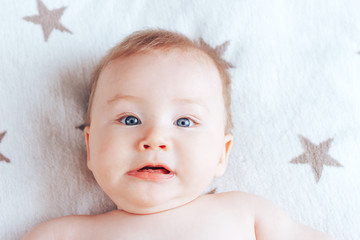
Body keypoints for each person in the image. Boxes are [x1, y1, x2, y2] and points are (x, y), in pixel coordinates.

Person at [23, 29, 334, 240]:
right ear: (89, 147)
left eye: (184, 122)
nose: (154, 138)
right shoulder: (65, 235)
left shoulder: (246, 214)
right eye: (129, 119)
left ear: (221, 155)